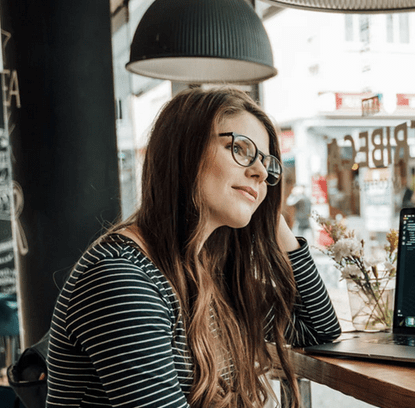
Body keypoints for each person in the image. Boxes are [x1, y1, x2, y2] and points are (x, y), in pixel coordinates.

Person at [46, 87, 341, 407]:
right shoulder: (122, 277)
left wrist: (270, 218)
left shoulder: (211, 271)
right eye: (240, 148)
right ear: (185, 151)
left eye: (266, 164)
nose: (259, 172)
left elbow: (318, 330)